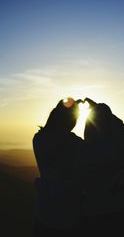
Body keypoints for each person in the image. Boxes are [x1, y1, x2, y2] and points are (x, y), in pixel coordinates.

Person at [80, 98, 124, 237]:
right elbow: (120, 127)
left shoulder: (85, 150)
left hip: (97, 212)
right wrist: (99, 109)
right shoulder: (122, 140)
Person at [32, 98, 84, 237]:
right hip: (69, 218)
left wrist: (73, 107)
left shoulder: (38, 139)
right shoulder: (76, 144)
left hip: (43, 213)